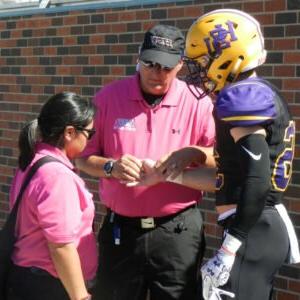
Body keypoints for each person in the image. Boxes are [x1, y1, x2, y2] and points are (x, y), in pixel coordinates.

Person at [75, 24, 215, 300]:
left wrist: (192, 153)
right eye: (150, 63)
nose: (157, 73)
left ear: (180, 66)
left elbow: (218, 162)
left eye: (166, 66)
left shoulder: (197, 103)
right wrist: (110, 167)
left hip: (177, 232)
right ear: (138, 57)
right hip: (122, 232)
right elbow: (82, 157)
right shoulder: (108, 97)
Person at [182, 8, 300, 300]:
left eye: (203, 61)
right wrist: (171, 175)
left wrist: (229, 247)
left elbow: (257, 180)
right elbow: (232, 176)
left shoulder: (241, 96)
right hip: (255, 227)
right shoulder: (255, 91)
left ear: (227, 55)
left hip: (253, 228)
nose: (198, 71)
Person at [7, 92, 97, 300]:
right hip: (49, 284)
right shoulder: (57, 176)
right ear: (69, 132)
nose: (90, 141)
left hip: (30, 277)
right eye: (89, 134)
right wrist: (80, 296)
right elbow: (61, 246)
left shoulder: (34, 160)